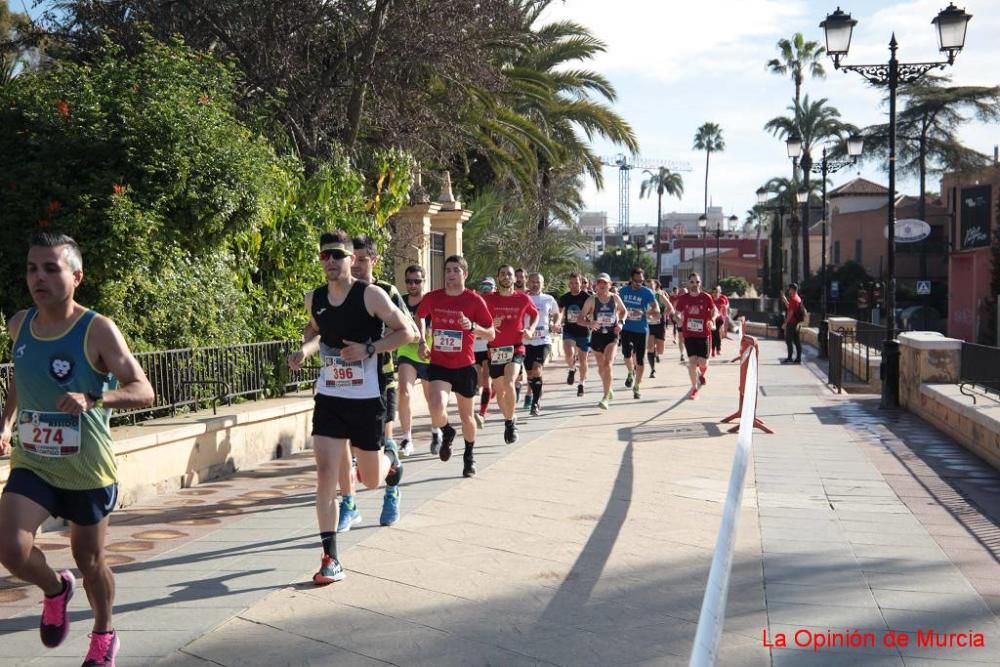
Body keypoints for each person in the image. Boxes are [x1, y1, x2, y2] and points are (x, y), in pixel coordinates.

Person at [0, 232, 155, 666]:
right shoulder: (20, 324)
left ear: (76, 275)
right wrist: (7, 421)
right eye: (33, 267)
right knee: (10, 548)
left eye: (51, 268)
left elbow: (144, 390)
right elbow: (22, 376)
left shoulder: (97, 329)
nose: (39, 277)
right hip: (33, 461)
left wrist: (95, 398)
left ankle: (104, 632)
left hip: (87, 468)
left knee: (90, 562)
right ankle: (54, 588)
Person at [288, 230, 417, 584]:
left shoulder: (371, 295)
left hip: (366, 399)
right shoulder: (314, 298)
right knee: (326, 474)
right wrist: (305, 350)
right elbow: (315, 331)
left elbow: (406, 332)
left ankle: (391, 468)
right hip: (330, 395)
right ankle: (331, 557)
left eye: (336, 255)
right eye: (324, 256)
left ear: (350, 258)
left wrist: (370, 349)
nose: (330, 261)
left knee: (372, 480)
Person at [416, 255, 495, 477]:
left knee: (467, 417)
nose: (451, 274)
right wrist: (423, 340)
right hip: (440, 363)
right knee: (436, 406)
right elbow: (420, 316)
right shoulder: (433, 298)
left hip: (465, 366)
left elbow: (491, 333)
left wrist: (472, 327)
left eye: (456, 270)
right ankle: (446, 431)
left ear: (465, 274)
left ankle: (469, 455)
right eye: (448, 270)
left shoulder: (474, 300)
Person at [482, 266, 538, 443]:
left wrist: (530, 329)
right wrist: (491, 323)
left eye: (509, 274)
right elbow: (479, 321)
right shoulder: (488, 299)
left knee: (509, 382)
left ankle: (509, 424)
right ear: (498, 278)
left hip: (516, 347)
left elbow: (534, 314)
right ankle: (510, 418)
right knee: (500, 393)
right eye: (503, 274)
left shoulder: (523, 298)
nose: (506, 277)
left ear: (515, 278)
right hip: (495, 350)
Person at [396, 264, 434, 458]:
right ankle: (406, 439)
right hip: (406, 353)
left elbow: (435, 329)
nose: (412, 285)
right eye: (409, 281)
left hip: (428, 354)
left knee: (432, 399)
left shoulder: (431, 302)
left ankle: (437, 431)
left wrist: (425, 339)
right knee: (404, 392)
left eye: (417, 281)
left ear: (423, 281)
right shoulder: (399, 302)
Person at [580, 273, 626, 410]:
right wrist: (590, 323)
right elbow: (580, 319)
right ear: (596, 285)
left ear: (610, 285)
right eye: (599, 282)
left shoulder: (615, 298)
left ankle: (605, 397)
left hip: (612, 335)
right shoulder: (591, 300)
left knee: (608, 364)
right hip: (597, 336)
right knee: (601, 367)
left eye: (605, 283)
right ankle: (609, 387)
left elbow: (624, 311)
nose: (602, 285)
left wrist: (621, 323)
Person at [673, 272, 718, 400]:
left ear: (700, 283)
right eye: (692, 282)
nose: (694, 284)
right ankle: (694, 388)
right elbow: (676, 313)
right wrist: (679, 320)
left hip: (703, 334)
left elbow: (714, 310)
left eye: (697, 282)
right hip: (689, 334)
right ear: (688, 283)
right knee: (692, 362)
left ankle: (701, 373)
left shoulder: (706, 297)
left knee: (703, 363)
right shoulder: (683, 298)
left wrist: (712, 319)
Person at [617, 267, 659, 399]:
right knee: (626, 355)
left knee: (640, 359)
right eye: (637, 281)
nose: (639, 283)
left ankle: (637, 387)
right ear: (631, 279)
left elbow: (656, 310)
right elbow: (616, 308)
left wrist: (644, 313)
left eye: (642, 281)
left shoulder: (647, 292)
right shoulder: (623, 292)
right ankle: (630, 372)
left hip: (641, 330)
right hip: (626, 328)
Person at [524, 273, 559, 415]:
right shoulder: (523, 298)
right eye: (532, 282)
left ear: (542, 284)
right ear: (528, 283)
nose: (535, 284)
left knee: (537, 369)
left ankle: (535, 402)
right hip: (526, 341)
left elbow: (556, 313)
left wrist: (555, 323)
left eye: (538, 282)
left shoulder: (548, 299)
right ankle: (537, 391)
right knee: (530, 374)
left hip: (543, 340)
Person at [557, 272, 592, 397]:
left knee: (583, 359)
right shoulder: (565, 297)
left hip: (583, 331)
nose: (573, 285)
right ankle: (572, 369)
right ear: (568, 284)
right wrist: (556, 322)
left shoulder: (587, 297)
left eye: (576, 283)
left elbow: (593, 312)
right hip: (569, 330)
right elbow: (560, 312)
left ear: (581, 283)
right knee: (569, 354)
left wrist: (590, 321)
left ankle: (581, 383)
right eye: (571, 283)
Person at [474, 277, 497, 428]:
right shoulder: (474, 302)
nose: (486, 290)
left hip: (489, 346)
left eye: (489, 287)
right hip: (475, 347)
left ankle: (482, 413)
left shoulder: (496, 303)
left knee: (486, 378)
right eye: (484, 287)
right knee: (479, 380)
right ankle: (491, 389)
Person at [644, 279, 675, 379]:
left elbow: (670, 308)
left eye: (650, 286)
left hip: (659, 324)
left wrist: (662, 315)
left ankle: (656, 353)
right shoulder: (642, 297)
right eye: (646, 286)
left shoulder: (659, 296)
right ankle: (653, 370)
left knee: (660, 350)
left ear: (655, 286)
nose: (648, 288)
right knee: (650, 347)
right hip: (648, 324)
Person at [781, 283, 804, 364]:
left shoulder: (793, 299)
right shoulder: (797, 298)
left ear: (793, 289)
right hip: (796, 322)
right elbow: (791, 308)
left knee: (788, 340)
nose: (788, 290)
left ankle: (790, 358)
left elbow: (790, 312)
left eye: (789, 289)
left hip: (792, 323)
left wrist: (785, 323)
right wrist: (785, 301)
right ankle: (798, 358)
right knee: (797, 341)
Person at [710, 285, 731, 357]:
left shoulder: (723, 298)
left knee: (717, 332)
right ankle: (713, 350)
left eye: (717, 292)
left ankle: (718, 349)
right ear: (712, 293)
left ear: (719, 292)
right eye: (714, 292)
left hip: (720, 318)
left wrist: (725, 308)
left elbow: (727, 304)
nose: (715, 294)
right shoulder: (710, 299)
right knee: (713, 334)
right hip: (712, 318)